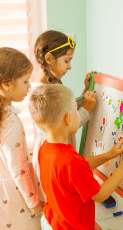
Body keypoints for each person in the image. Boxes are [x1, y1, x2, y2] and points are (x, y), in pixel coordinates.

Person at [29, 84, 123, 229]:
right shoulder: (71, 162)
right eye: (76, 109)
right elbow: (100, 195)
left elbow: (77, 167)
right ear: (68, 118)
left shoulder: (45, 149)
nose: (78, 112)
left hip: (53, 220)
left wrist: (109, 155)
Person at [0, 47, 44, 229]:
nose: (29, 87)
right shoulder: (12, 122)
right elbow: (18, 169)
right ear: (6, 84)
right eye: (25, 82)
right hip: (13, 195)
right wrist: (33, 202)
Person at [30, 30, 97, 203]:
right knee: (58, 199)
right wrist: (86, 109)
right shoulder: (41, 91)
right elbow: (64, 125)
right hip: (54, 156)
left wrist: (85, 94)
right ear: (49, 58)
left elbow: (66, 111)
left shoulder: (50, 85)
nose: (70, 66)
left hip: (59, 153)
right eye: (66, 60)